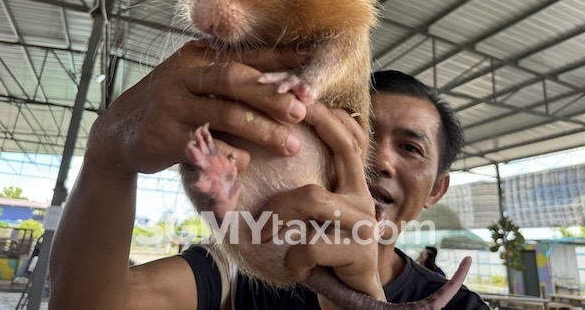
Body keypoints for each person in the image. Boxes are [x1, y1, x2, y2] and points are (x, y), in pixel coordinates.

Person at [49, 43, 488, 309]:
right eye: (363, 134)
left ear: (436, 189)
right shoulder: (242, 267)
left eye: (410, 148)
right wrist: (108, 158)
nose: (378, 160)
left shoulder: (463, 306)